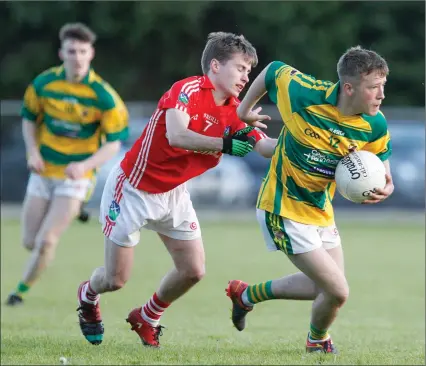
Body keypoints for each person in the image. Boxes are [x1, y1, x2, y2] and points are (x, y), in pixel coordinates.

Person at [76, 31, 278, 348]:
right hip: (132, 188)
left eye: (249, 71)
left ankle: (147, 317)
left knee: (193, 271)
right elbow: (177, 135)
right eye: (240, 68)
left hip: (174, 194)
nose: (246, 77)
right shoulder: (187, 89)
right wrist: (226, 144)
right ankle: (87, 296)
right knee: (115, 280)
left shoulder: (236, 111)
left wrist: (300, 145)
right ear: (215, 65)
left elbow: (263, 146)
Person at [225, 46, 394, 354]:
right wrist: (243, 110)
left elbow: (381, 157)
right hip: (283, 207)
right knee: (338, 291)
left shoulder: (375, 123)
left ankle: (246, 295)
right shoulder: (304, 94)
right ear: (349, 87)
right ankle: (316, 342)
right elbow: (273, 69)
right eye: (374, 87)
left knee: (324, 288)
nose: (381, 94)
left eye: (383, 86)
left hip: (320, 210)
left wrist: (386, 183)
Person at [6, 23, 129, 306]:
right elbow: (28, 118)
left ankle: (19, 293)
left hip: (75, 178)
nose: (77, 56)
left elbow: (113, 143)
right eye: (71, 51)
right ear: (62, 53)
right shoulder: (44, 84)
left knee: (47, 241)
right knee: (30, 242)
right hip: (43, 172)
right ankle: (74, 213)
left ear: (91, 53)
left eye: (82, 51)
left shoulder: (104, 95)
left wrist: (85, 165)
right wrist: (32, 152)